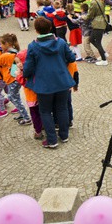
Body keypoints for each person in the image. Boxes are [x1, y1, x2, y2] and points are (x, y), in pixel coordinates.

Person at [22, 17, 77, 148]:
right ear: (51, 28)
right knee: (62, 108)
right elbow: (71, 58)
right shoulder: (61, 42)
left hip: (44, 84)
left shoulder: (33, 46)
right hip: (62, 81)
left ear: (36, 31)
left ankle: (52, 140)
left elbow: (28, 67)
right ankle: (64, 135)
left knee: (45, 111)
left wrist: (25, 75)